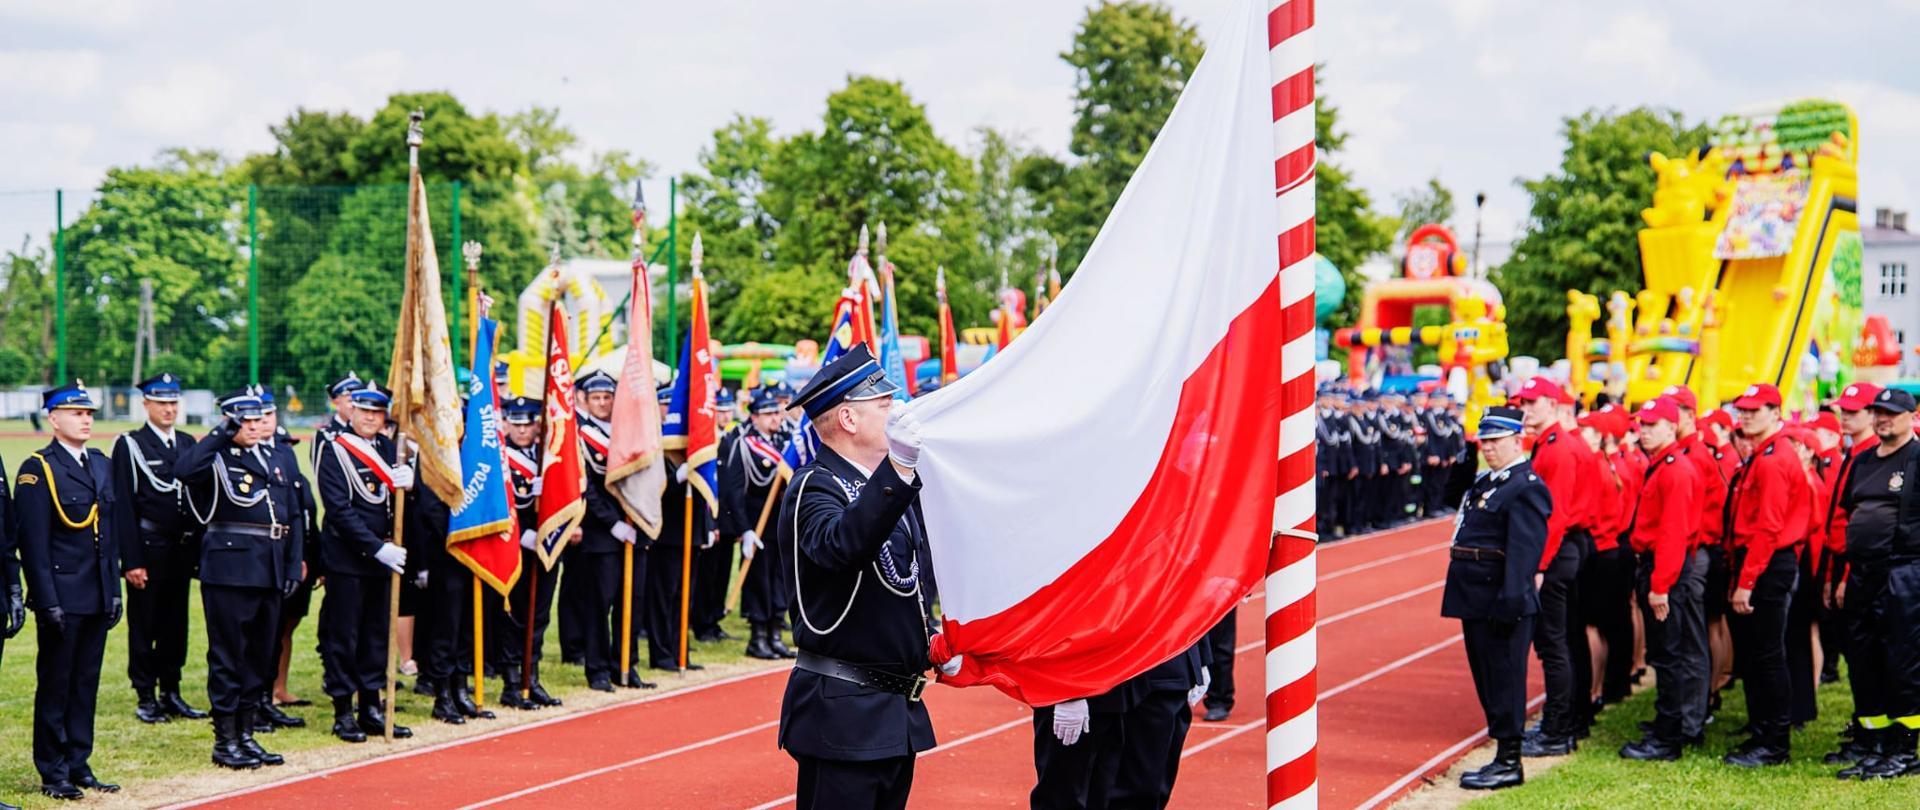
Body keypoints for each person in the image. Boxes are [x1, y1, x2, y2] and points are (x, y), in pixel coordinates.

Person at [777, 344, 948, 810]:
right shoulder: (814, 486)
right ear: (848, 419)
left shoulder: (889, 487)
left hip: (894, 713)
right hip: (843, 713)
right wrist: (897, 468)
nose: (897, 412)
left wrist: (928, 642)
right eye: (885, 404)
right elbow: (841, 548)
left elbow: (903, 587)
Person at [177, 390, 305, 770]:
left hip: (269, 567)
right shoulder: (215, 457)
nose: (252, 426)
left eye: (257, 418)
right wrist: (220, 433)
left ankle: (248, 733)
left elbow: (292, 516)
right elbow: (183, 471)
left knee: (260, 657)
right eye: (243, 420)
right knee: (228, 657)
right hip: (230, 570)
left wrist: (291, 563)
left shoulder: (273, 457)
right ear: (229, 421)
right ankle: (226, 739)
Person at [18, 382, 119, 799]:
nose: (85, 419)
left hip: (95, 593)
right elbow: (34, 544)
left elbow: (109, 535)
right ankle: (53, 770)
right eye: (76, 413)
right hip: (62, 595)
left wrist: (113, 591)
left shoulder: (100, 463)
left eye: (89, 413)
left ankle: (79, 762)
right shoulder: (37, 468)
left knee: (85, 683)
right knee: (57, 684)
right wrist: (46, 600)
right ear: (53, 418)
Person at [1442, 406, 1551, 790]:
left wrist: (1511, 600)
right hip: (1475, 595)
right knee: (1488, 678)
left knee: (1505, 679)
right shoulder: (1490, 481)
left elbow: (1524, 553)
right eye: (1483, 440)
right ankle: (1502, 754)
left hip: (1501, 599)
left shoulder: (1526, 485)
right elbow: (1450, 495)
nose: (1487, 447)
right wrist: (1465, 455)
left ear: (1516, 440)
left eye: (1495, 440)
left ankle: (1509, 761)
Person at [314, 384, 415, 742]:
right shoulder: (333, 449)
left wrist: (410, 485)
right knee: (345, 635)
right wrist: (375, 547)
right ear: (351, 411)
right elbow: (339, 509)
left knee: (376, 634)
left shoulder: (389, 447)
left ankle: (371, 705)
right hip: (348, 558)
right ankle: (343, 710)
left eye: (378, 413)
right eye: (364, 411)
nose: (371, 418)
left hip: (381, 560)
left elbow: (395, 503)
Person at [1830, 388, 1920, 779]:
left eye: (1891, 413)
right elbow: (1848, 511)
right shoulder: (1864, 461)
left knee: (1902, 660)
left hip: (1904, 570)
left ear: (1911, 416)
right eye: (1878, 412)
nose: (1883, 419)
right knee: (1863, 658)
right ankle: (1875, 742)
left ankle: (1906, 748)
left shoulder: (1917, 458)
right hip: (1862, 573)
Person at [112, 372, 208, 726]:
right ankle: (145, 694)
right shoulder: (131, 444)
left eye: (173, 402)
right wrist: (132, 560)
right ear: (146, 404)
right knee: (145, 624)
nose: (169, 409)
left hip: (180, 549)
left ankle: (171, 690)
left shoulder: (186, 443)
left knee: (175, 624)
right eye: (161, 402)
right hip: (148, 548)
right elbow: (123, 505)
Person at [1722, 383, 1807, 767]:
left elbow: (1769, 528)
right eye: (1743, 409)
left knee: (1768, 655)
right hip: (1763, 561)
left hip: (1767, 562)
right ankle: (1763, 734)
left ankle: (1773, 743)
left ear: (1776, 412)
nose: (1745, 415)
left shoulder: (1773, 458)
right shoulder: (1766, 454)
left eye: (1755, 410)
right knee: (1759, 655)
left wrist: (1747, 581)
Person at [1618, 398, 1706, 761]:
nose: (1646, 430)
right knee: (1665, 652)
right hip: (1658, 567)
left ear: (1672, 427)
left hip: (1665, 569)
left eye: (1654, 424)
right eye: (1643, 424)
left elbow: (1673, 533)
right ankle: (1667, 724)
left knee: (1669, 655)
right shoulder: (1664, 465)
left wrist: (1660, 586)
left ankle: (1668, 737)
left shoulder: (1674, 469)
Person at [1509, 376, 1591, 755]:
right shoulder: (1552, 443)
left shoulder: (1557, 449)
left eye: (1532, 403)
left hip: (1557, 552)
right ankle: (1566, 722)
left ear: (1552, 403)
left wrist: (1537, 566)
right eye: (1522, 403)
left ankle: (1557, 730)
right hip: (1565, 549)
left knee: (1553, 644)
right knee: (1564, 641)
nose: (1524, 410)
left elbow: (1553, 515)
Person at [574, 370, 646, 690]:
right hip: (602, 533)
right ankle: (598, 669)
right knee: (600, 603)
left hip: (636, 527)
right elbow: (585, 487)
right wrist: (612, 522)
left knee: (632, 601)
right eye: (596, 398)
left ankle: (626, 666)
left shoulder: (630, 431)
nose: (603, 403)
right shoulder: (580, 435)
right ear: (586, 401)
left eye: (607, 397)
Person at [253, 386, 315, 733]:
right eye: (257, 416)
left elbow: (297, 513)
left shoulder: (283, 454)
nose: (264, 422)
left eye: (269, 415)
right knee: (254, 637)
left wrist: (300, 557)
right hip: (254, 560)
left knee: (275, 632)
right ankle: (254, 703)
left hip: (285, 557)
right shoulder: (234, 453)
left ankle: (268, 698)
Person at [497, 396, 564, 709]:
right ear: (507, 424)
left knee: (539, 616)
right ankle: (512, 684)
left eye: (528, 424)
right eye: (517, 424)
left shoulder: (545, 456)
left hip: (546, 547)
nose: (523, 431)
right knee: (516, 618)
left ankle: (531, 678)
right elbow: (497, 506)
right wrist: (524, 535)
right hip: (516, 548)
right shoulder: (500, 458)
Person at [723, 389, 796, 660]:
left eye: (777, 413)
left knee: (779, 580)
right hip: (757, 525)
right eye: (768, 414)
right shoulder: (745, 445)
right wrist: (745, 530)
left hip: (780, 524)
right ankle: (758, 637)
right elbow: (735, 490)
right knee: (759, 582)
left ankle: (775, 633)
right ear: (754, 417)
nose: (775, 418)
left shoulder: (785, 442)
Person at [1112, 642, 1210, 808]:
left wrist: (1201, 659)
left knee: (1159, 783)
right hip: (1139, 672)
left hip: (1180, 664)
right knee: (1135, 786)